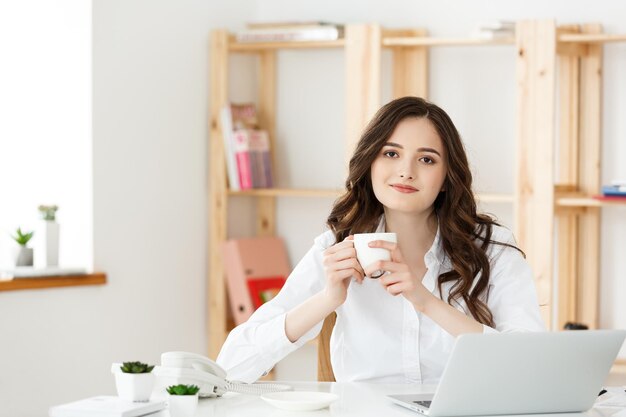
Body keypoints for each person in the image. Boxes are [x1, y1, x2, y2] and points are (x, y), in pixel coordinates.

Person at [216, 96, 545, 384]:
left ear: (447, 178)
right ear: (370, 162)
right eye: (391, 154)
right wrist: (327, 299)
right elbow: (230, 366)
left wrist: (426, 301)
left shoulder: (492, 248)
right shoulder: (336, 247)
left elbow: (532, 365)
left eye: (427, 159)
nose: (406, 171)